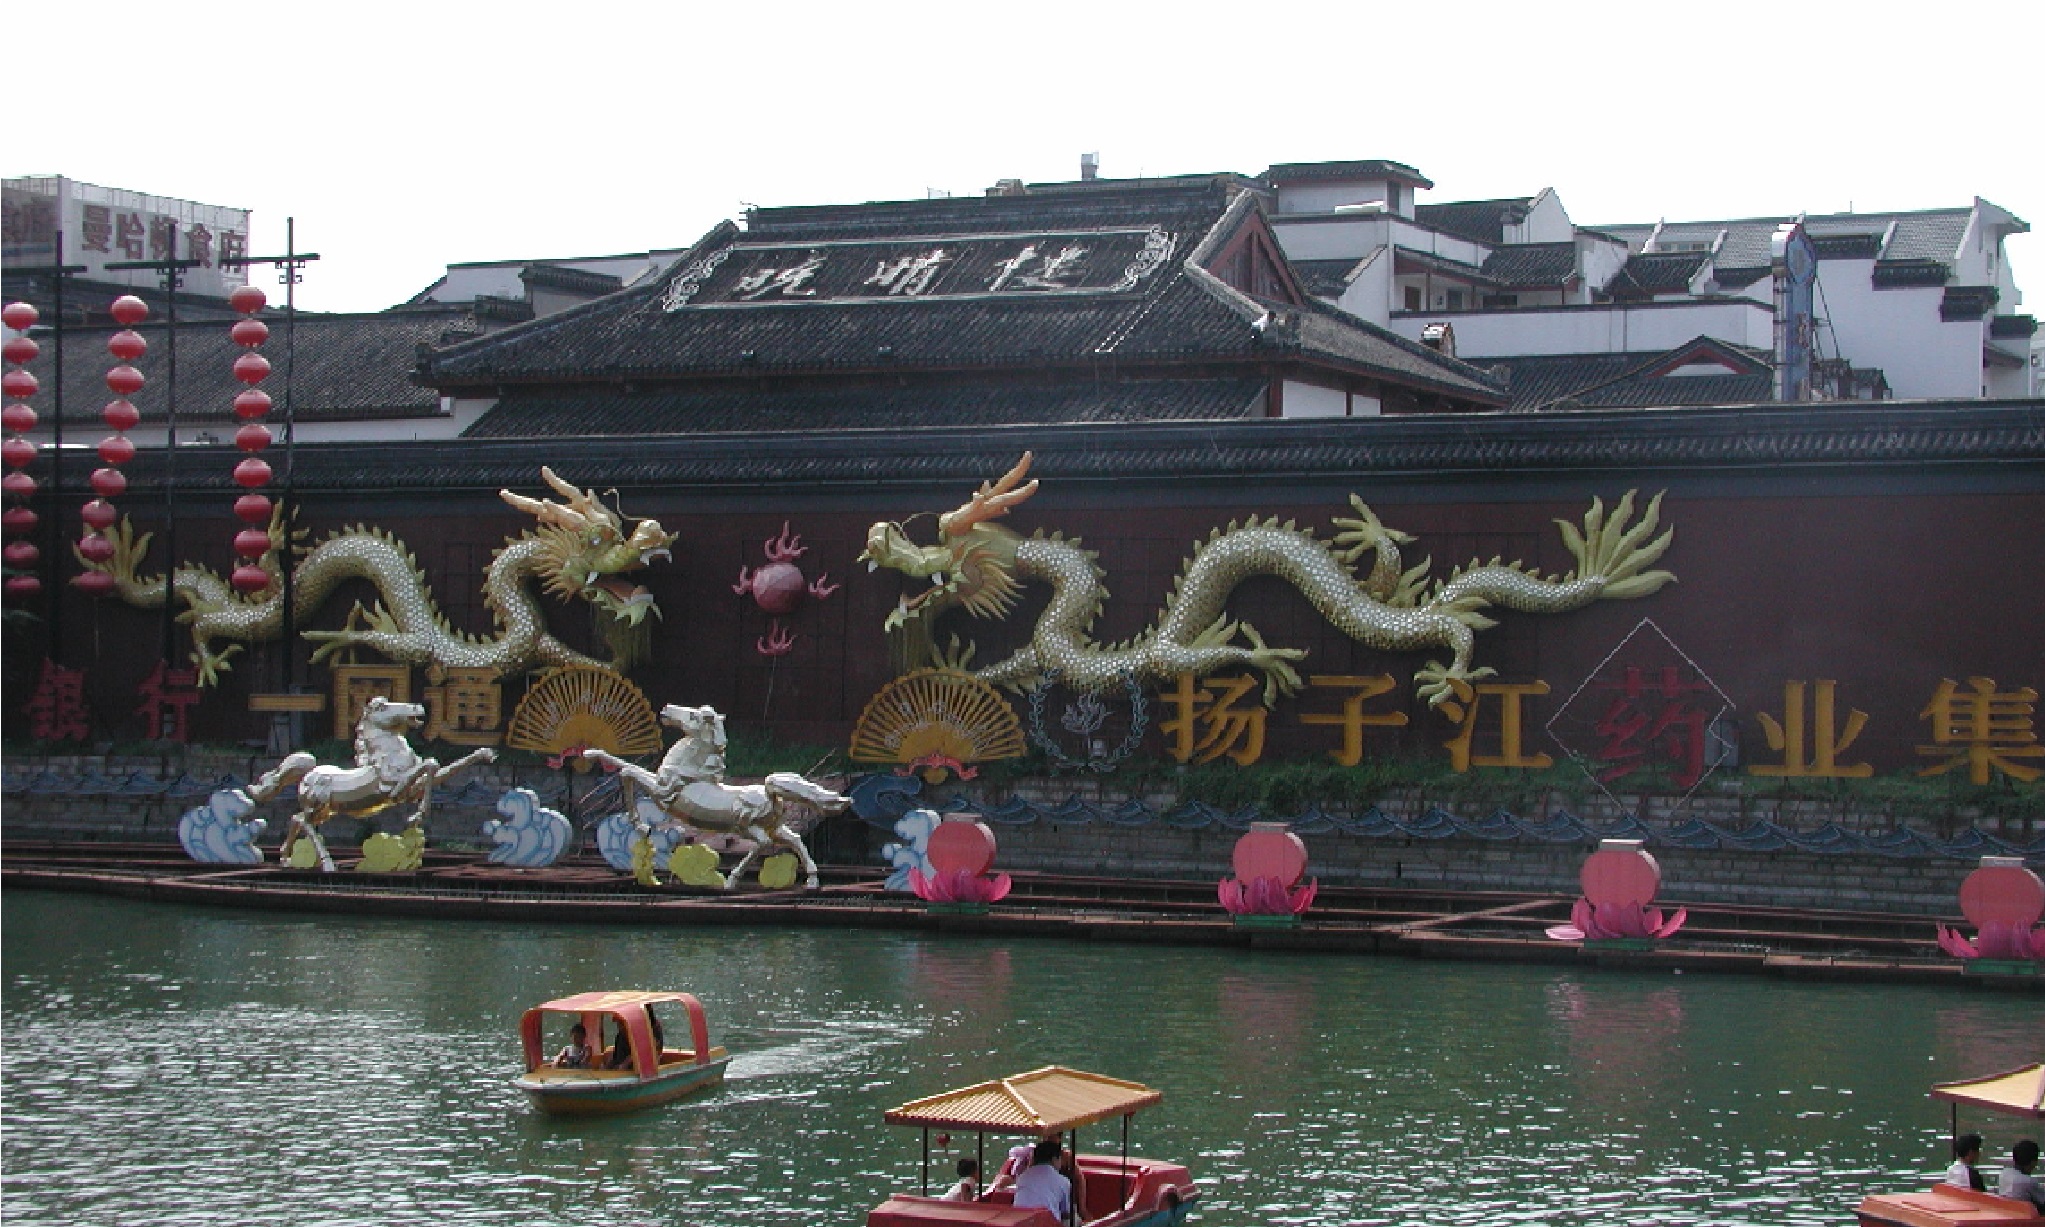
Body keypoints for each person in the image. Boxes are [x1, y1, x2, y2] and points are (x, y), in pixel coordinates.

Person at [1011, 1138, 1072, 1223]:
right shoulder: (1063, 1181)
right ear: (1054, 1159)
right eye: (1060, 1159)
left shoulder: (1022, 1177)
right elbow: (1065, 1212)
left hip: (1020, 1222)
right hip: (1046, 1223)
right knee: (1074, 1220)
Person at [1999, 1140, 2045, 1210]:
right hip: (2023, 1213)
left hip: (2007, 1209)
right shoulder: (2029, 1181)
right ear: (2033, 1162)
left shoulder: (2004, 1173)